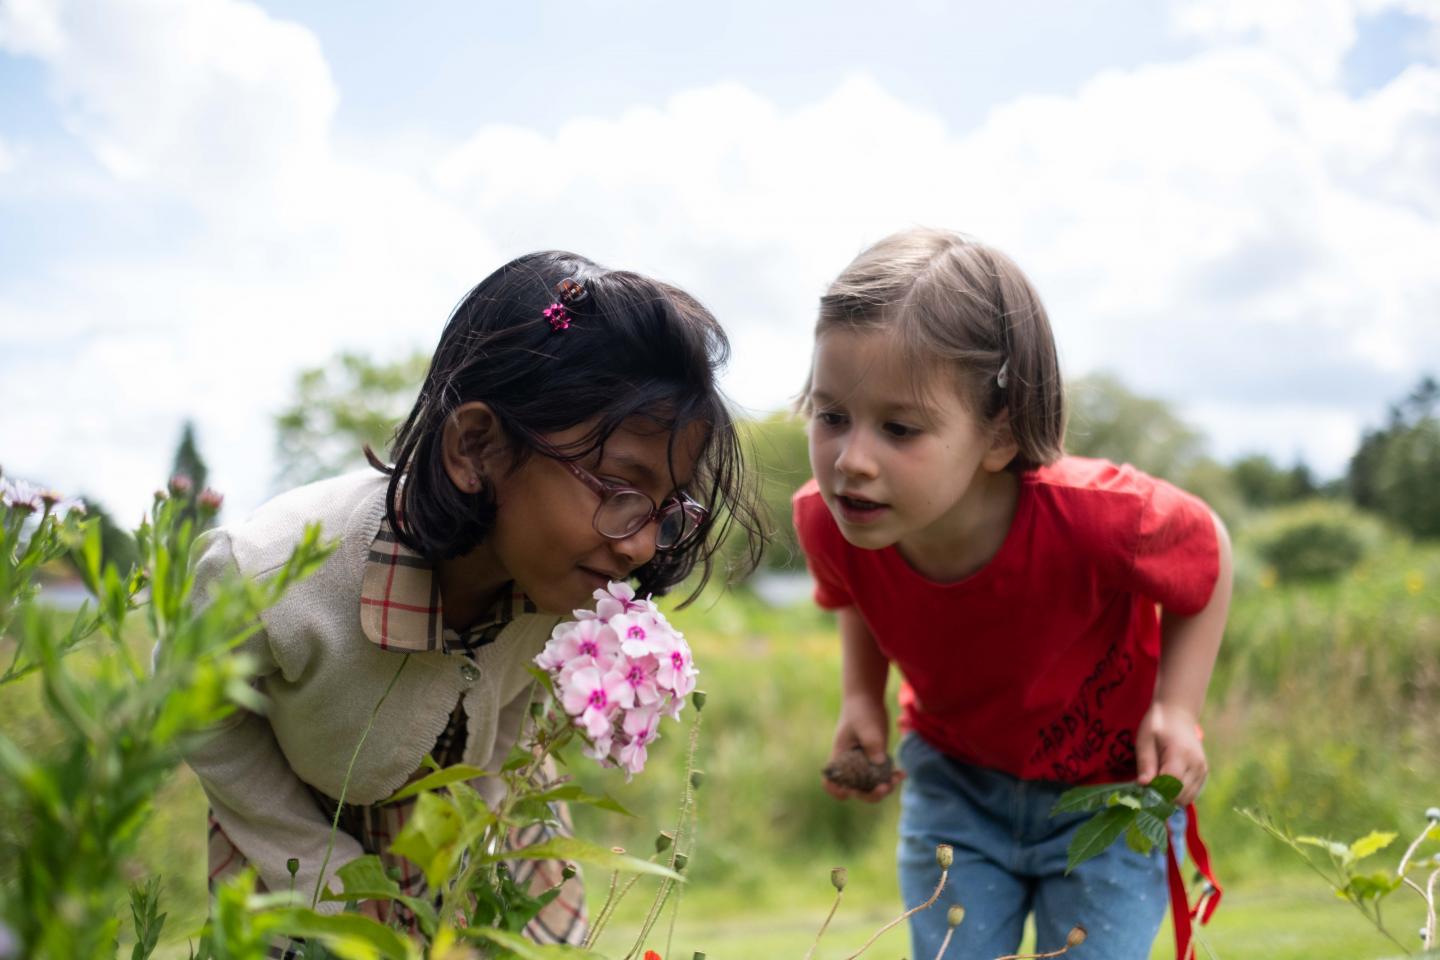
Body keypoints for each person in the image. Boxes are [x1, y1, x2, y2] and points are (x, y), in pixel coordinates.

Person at [180, 251, 760, 954]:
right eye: (618, 489)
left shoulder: (554, 577)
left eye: (665, 508)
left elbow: (512, 699)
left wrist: (471, 862)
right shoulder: (269, 571)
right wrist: (318, 866)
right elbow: (191, 703)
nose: (640, 546)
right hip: (290, 832)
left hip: (483, 818)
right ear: (477, 446)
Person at [793, 228, 1232, 960]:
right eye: (831, 415)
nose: (851, 459)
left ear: (998, 435)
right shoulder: (827, 521)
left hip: (1111, 793)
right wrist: (862, 699)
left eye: (899, 428)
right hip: (954, 786)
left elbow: (1208, 548)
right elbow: (857, 598)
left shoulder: (1100, 520)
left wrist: (1179, 710)